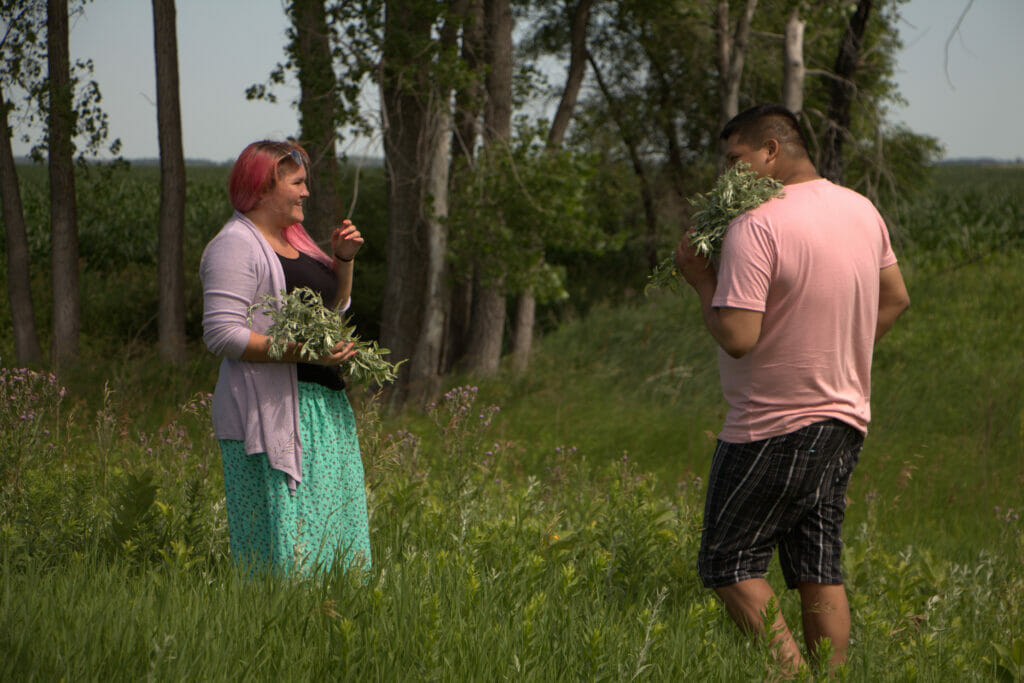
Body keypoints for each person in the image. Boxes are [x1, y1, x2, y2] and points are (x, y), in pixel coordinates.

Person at [674, 104, 910, 672]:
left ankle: (790, 673)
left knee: (727, 563)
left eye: (737, 160)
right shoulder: (860, 209)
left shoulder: (757, 223)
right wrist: (836, 350)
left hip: (771, 424)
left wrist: (700, 278)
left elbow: (736, 335)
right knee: (816, 568)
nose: (729, 176)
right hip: (845, 419)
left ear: (772, 151)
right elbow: (896, 298)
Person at [200, 140, 372, 576]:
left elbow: (333, 313)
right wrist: (308, 352)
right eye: (297, 183)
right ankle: (286, 631)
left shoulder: (295, 241)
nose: (306, 192)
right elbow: (222, 335)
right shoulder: (235, 245)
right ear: (262, 188)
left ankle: (333, 627)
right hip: (272, 410)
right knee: (289, 551)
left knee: (334, 541)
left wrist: (342, 261)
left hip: (322, 408)